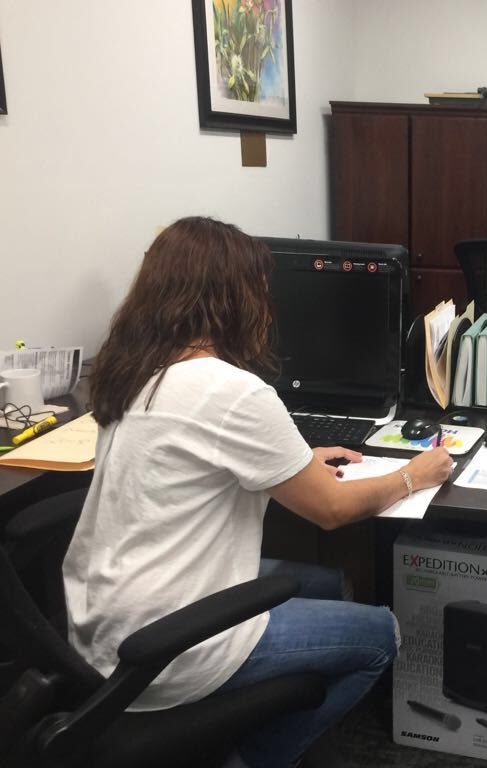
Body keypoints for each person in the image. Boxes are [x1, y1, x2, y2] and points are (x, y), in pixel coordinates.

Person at [62, 216, 453, 768]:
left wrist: (295, 462)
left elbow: (196, 461)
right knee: (380, 635)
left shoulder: (129, 373)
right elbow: (333, 510)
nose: (269, 307)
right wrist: (415, 474)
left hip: (101, 635)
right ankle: (254, 758)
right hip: (173, 650)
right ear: (235, 299)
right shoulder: (232, 392)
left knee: (330, 582)